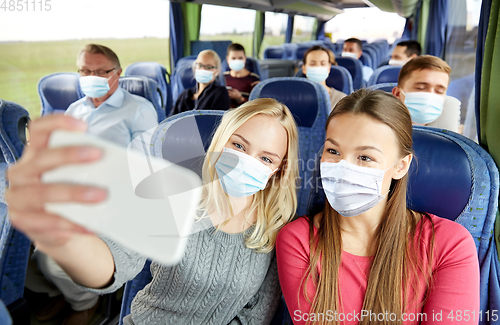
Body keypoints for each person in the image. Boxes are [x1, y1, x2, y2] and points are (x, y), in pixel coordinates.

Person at [7, 98, 299, 325]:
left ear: (278, 169)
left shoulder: (277, 227)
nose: (246, 162)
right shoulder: (178, 192)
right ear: (220, 142)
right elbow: (114, 262)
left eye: (265, 158)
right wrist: (62, 235)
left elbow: (254, 316)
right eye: (238, 145)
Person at [276, 89, 479, 325]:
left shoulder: (448, 244)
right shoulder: (298, 240)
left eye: (365, 157)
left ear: (400, 167)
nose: (343, 167)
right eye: (333, 151)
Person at [25, 43, 159, 324]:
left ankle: (84, 302)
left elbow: (142, 169)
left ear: (118, 74)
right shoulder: (75, 110)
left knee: (53, 260)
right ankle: (63, 292)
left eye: (101, 71)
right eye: (86, 71)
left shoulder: (138, 110)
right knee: (26, 248)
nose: (92, 77)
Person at [392, 55, 460, 132]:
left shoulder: (449, 139)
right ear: (397, 93)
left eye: (439, 91)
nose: (430, 95)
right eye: (420, 88)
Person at [171, 50, 230, 115]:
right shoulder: (185, 94)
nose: (203, 69)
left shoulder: (220, 93)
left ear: (216, 71)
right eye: (200, 65)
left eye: (208, 67)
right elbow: (169, 121)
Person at [301, 45, 347, 112]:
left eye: (322, 64)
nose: (317, 67)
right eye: (312, 64)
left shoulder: (341, 99)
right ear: (304, 68)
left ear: (328, 68)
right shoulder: (294, 97)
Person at [224, 43, 260, 108]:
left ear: (245, 59)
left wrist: (240, 98)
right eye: (233, 58)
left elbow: (256, 105)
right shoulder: (223, 77)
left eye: (240, 58)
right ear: (227, 59)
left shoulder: (253, 79)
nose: (237, 61)